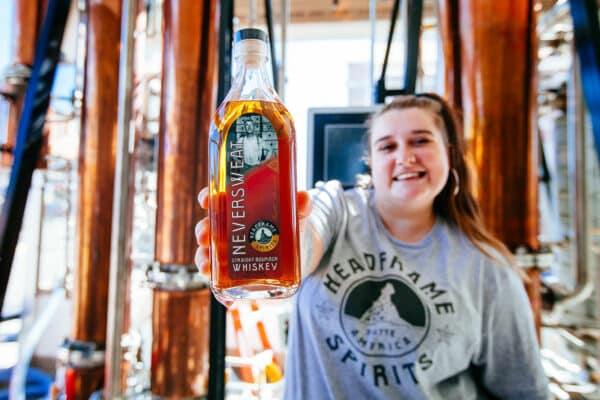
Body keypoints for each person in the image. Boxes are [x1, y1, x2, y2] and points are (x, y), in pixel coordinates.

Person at [195, 93, 549, 399]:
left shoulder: (487, 268)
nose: (405, 156)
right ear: (372, 163)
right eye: (387, 146)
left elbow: (524, 392)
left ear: (449, 154)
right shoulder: (337, 207)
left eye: (421, 141)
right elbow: (304, 245)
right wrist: (271, 248)